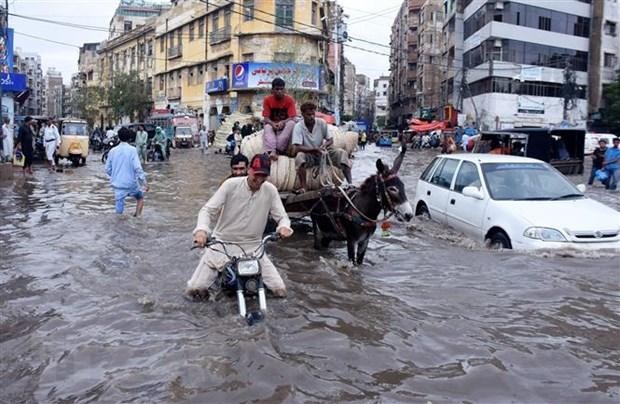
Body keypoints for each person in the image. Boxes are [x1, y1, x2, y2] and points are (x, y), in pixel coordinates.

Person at [186, 154, 293, 300]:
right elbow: (208, 210)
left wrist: (283, 227)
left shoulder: (270, 190)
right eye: (256, 175)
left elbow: (282, 217)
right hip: (222, 246)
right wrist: (201, 231)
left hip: (254, 248)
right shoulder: (230, 185)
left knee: (279, 291)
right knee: (194, 291)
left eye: (264, 176)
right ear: (249, 170)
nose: (259, 180)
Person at [292, 102, 352, 193]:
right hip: (309, 155)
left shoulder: (321, 123)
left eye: (313, 114)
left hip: (323, 153)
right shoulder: (298, 127)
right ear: (303, 114)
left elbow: (330, 140)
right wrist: (314, 149)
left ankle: (350, 184)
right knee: (300, 157)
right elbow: (297, 147)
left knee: (342, 154)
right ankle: (304, 187)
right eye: (308, 115)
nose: (311, 117)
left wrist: (324, 146)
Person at [105, 127, 148, 216]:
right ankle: (137, 217)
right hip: (131, 184)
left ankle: (119, 226)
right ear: (129, 138)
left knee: (119, 213)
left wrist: (115, 175)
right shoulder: (132, 150)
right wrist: (144, 183)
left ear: (119, 137)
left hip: (118, 185)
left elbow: (107, 169)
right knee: (140, 198)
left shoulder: (112, 151)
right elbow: (138, 169)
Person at [262, 77, 297, 160]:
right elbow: (266, 118)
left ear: (284, 89)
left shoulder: (289, 100)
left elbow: (292, 117)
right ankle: (272, 150)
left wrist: (283, 122)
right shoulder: (267, 100)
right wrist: (272, 123)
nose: (279, 91)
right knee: (267, 127)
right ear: (272, 90)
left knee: (292, 123)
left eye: (281, 89)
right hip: (272, 124)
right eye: (277, 89)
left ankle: (278, 149)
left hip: (285, 124)